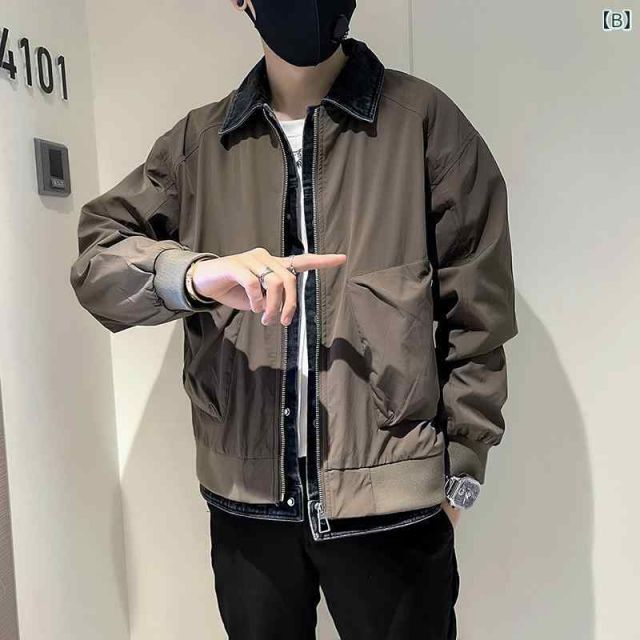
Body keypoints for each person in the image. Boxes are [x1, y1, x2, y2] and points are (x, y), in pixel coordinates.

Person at [69, 0, 518, 637]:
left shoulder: (422, 123)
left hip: (393, 504)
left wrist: (462, 475)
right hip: (247, 507)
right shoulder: (201, 144)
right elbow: (97, 260)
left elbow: (478, 312)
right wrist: (195, 275)